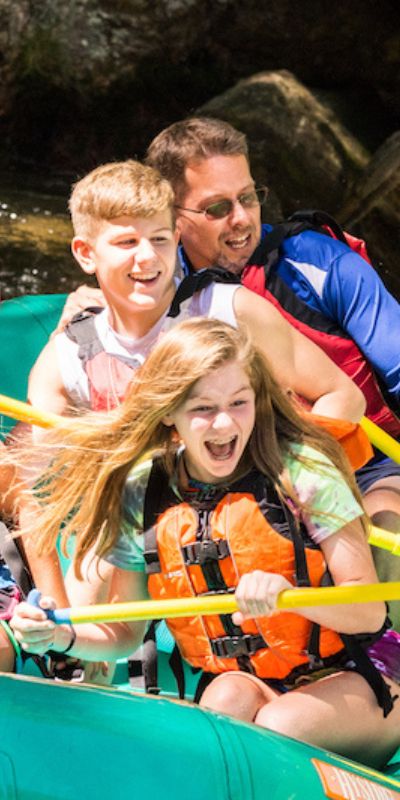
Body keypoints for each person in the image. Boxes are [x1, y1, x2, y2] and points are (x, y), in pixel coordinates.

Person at [10, 318, 400, 769]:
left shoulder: (302, 470)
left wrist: (291, 598)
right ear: (168, 412)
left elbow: (369, 612)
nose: (224, 422)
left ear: (258, 400)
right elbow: (122, 634)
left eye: (239, 402)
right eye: (202, 408)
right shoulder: (144, 491)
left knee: (279, 727)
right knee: (224, 703)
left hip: (363, 674)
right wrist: (62, 634)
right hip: (255, 681)